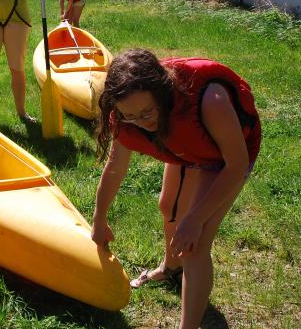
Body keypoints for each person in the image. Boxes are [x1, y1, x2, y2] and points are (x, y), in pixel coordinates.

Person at [90, 49, 261, 329]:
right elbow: (115, 167)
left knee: (195, 244)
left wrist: (196, 219)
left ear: (163, 92)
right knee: (168, 206)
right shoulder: (124, 114)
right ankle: (171, 268)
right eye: (130, 116)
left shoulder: (209, 101)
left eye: (147, 112)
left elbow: (236, 164)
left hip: (223, 158)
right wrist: (99, 218)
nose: (142, 123)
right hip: (186, 147)